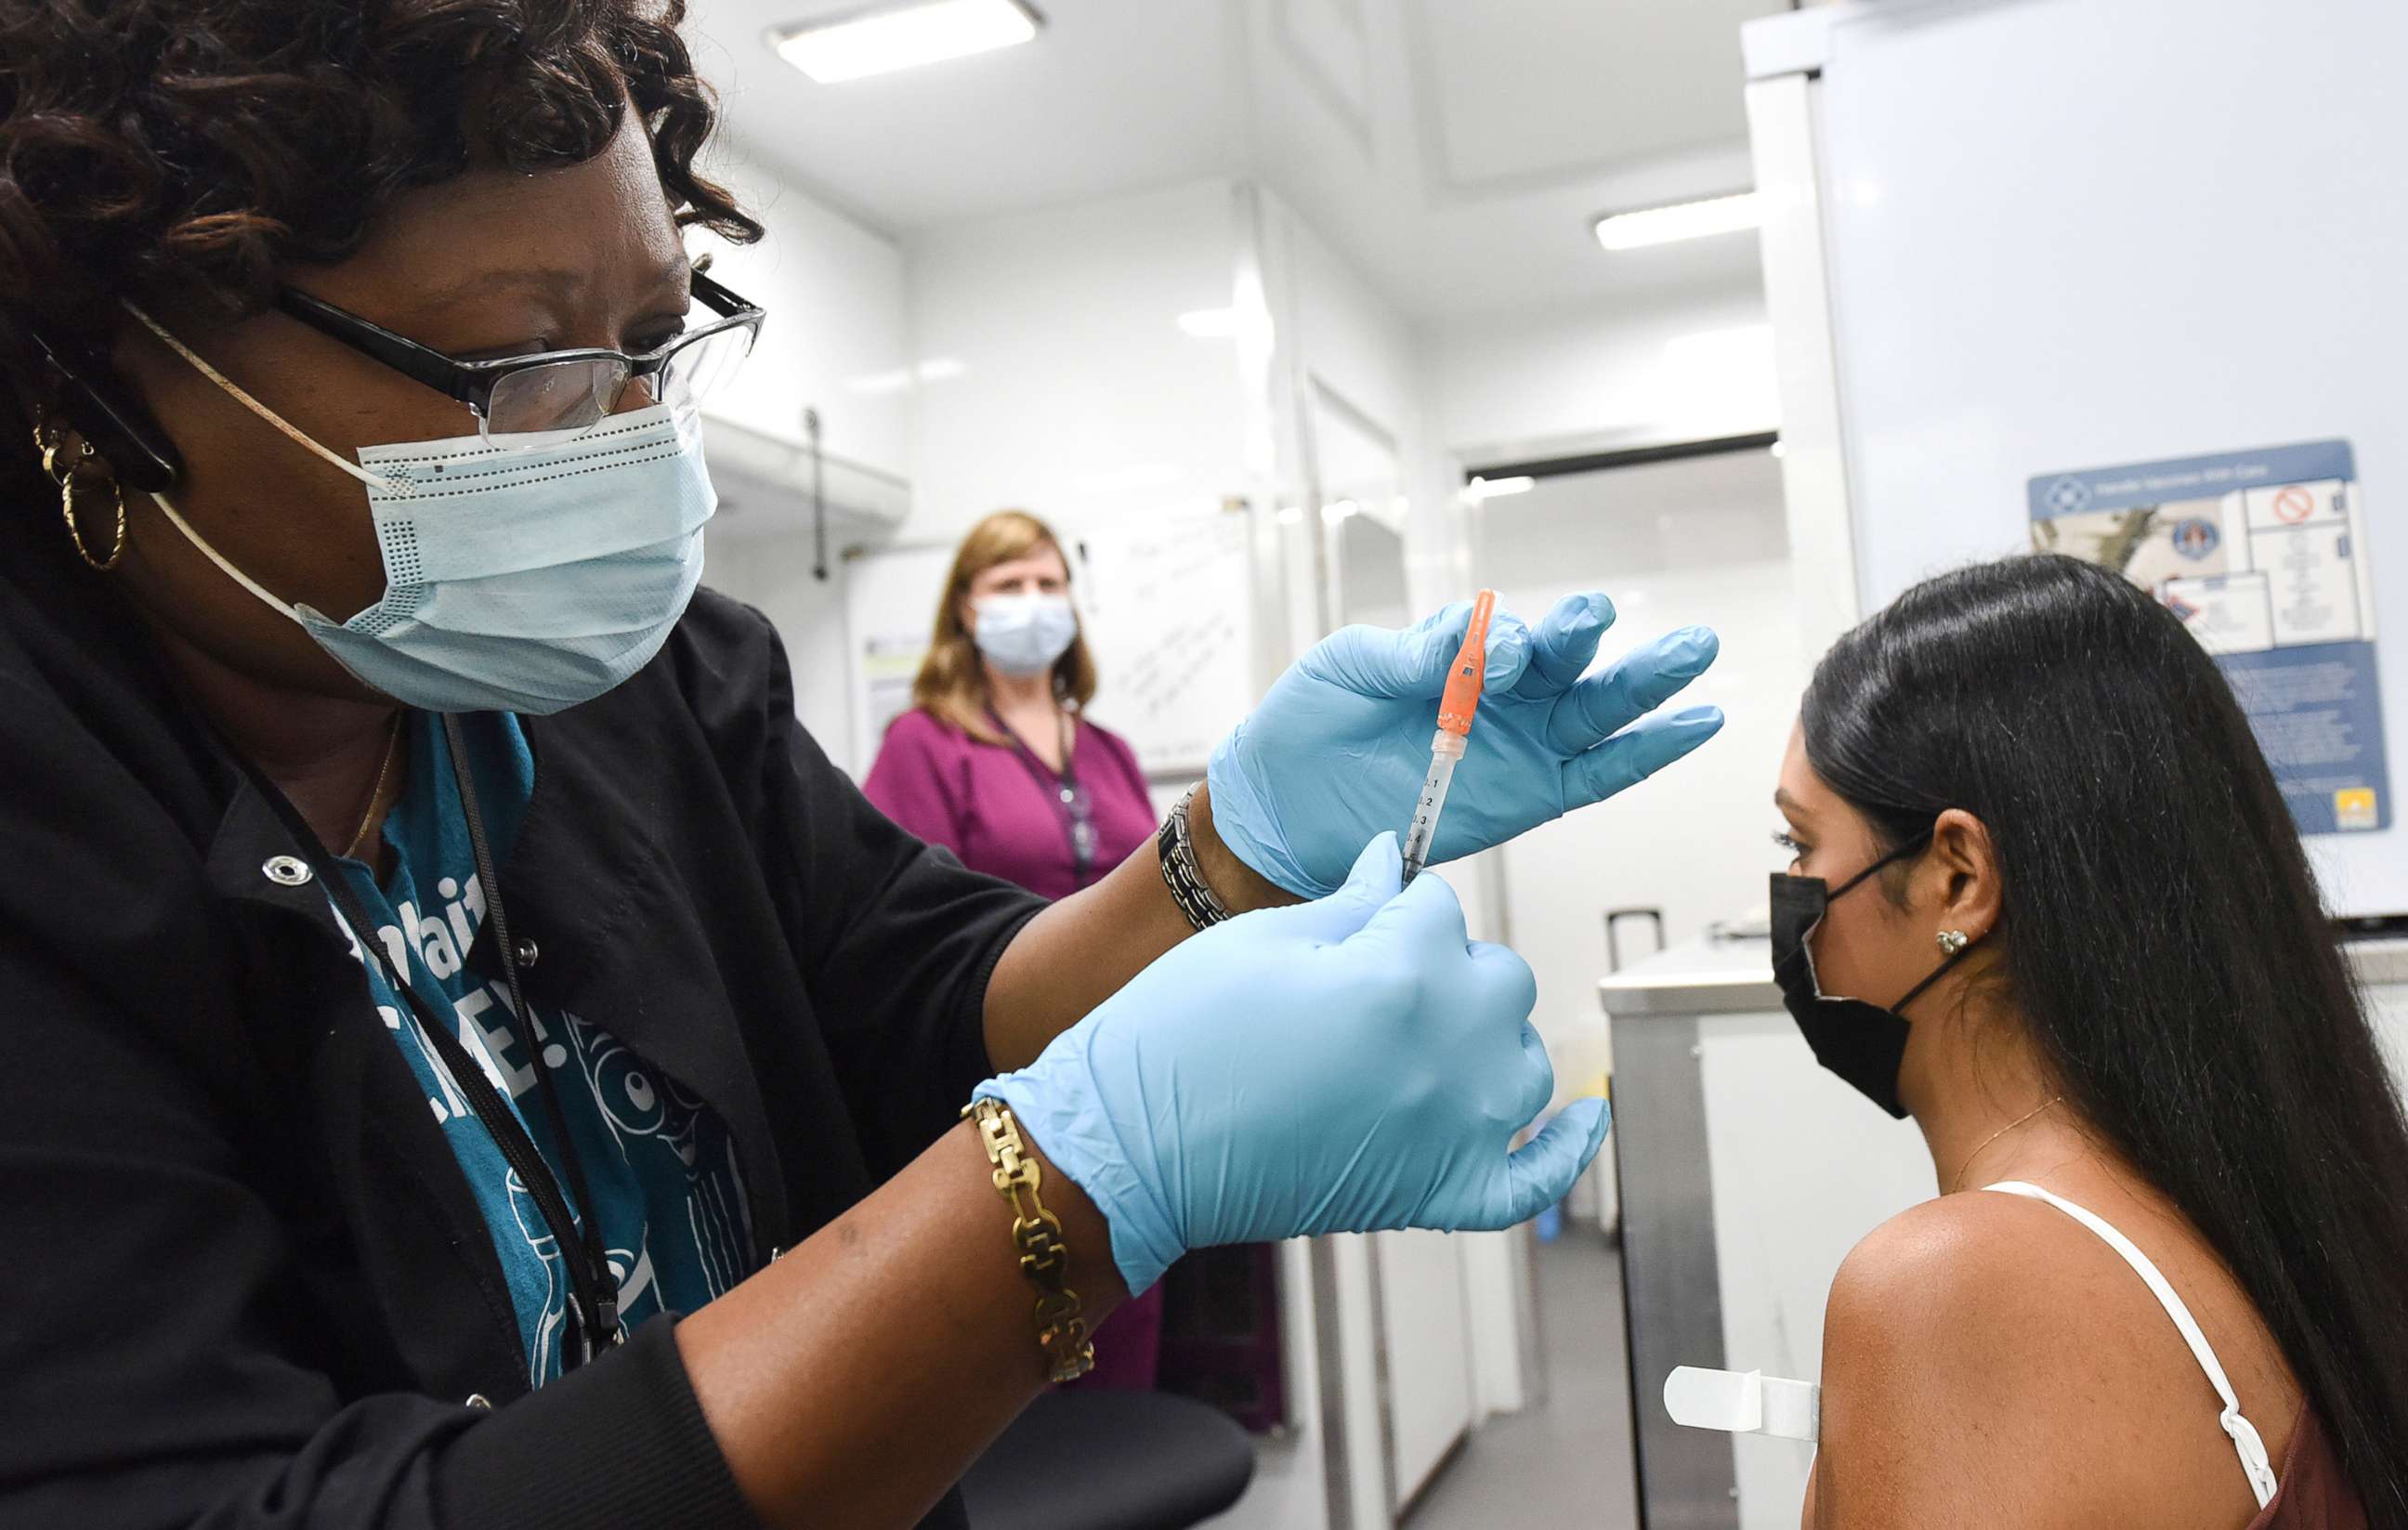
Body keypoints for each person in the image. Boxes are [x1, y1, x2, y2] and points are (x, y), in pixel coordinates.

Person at [0, 6, 1729, 1526]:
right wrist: (1074, 1181)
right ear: (122, 351)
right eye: (519, 369)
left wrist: (1232, 853)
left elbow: (912, 990)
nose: (616, 448)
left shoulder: (610, 674)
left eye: (653, 346)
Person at [1770, 555, 2406, 1528]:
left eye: (1801, 846)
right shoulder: (2273, 1202)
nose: (1792, 897)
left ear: (1956, 879)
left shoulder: (1953, 1288)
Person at [866, 509, 1166, 1389]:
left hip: (1131, 1098)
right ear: (965, 609)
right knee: (1020, 1371)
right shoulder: (927, 744)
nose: (1032, 602)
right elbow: (902, 938)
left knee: (1126, 1360)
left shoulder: (1109, 751)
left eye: (1047, 583)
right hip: (1008, 1110)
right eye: (1008, 586)